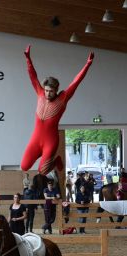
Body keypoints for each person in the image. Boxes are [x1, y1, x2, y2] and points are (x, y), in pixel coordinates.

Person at [21, 45, 94, 174]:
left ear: (56, 90)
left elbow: (76, 81)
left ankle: (55, 160)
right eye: (46, 90)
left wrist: (87, 64)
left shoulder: (63, 98)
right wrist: (28, 59)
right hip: (36, 139)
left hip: (51, 140)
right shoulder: (40, 94)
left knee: (42, 171)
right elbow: (33, 76)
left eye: (51, 91)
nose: (48, 94)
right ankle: (46, 158)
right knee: (24, 166)